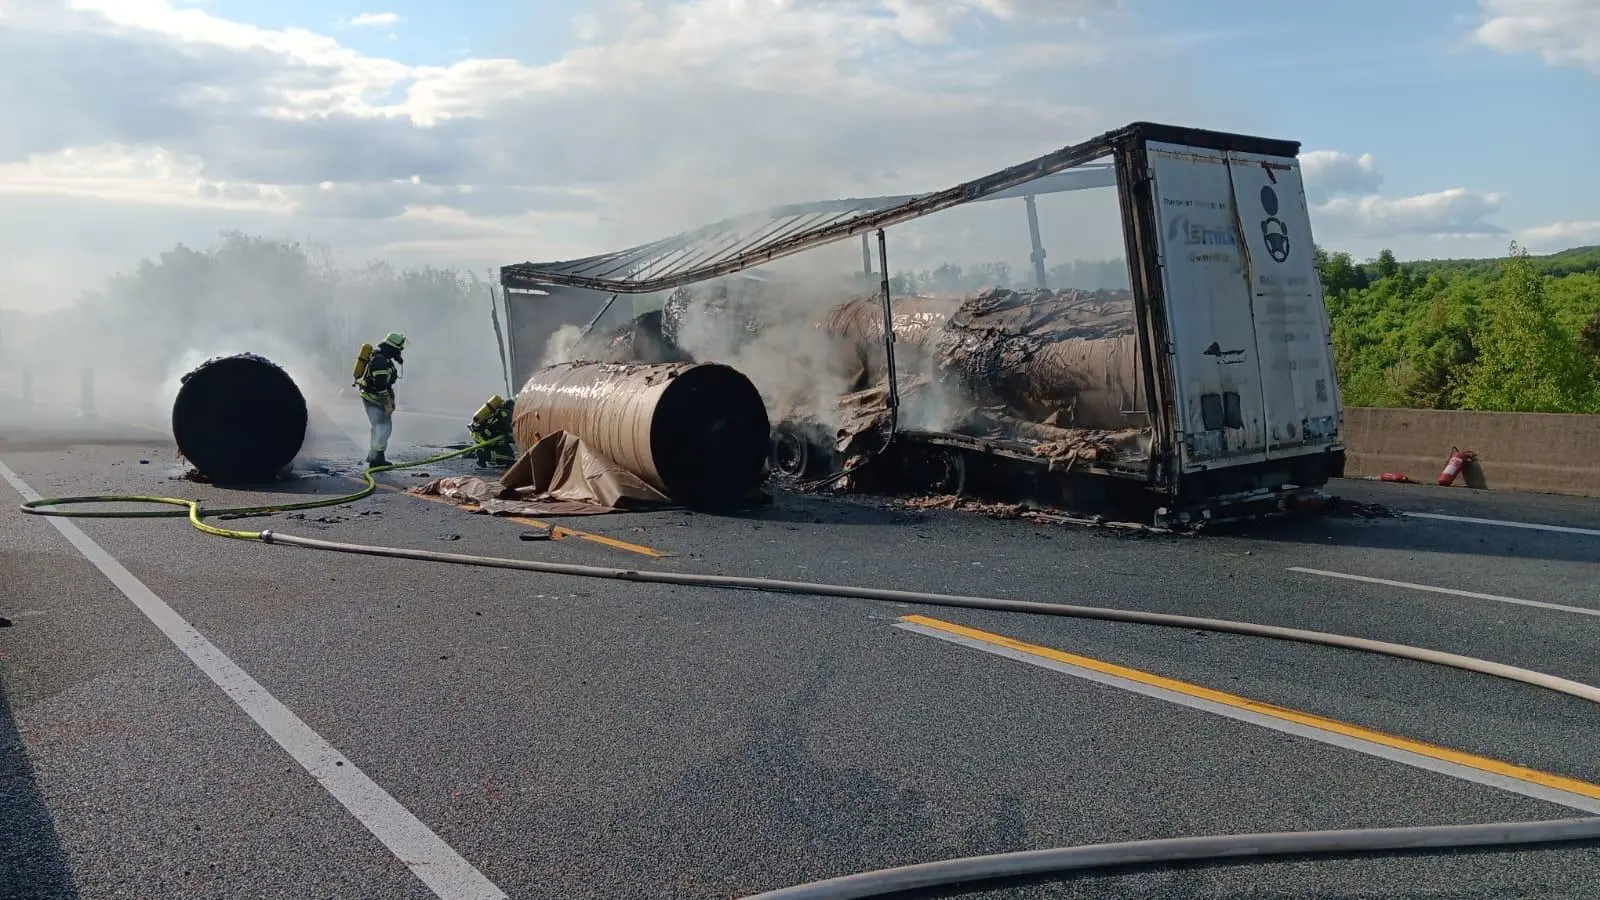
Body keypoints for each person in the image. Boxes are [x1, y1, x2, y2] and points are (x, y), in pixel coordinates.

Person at [355, 332, 405, 467]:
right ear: (392, 348)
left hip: (375, 398)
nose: (399, 353)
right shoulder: (380, 361)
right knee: (382, 427)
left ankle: (375, 456)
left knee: (381, 427)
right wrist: (387, 404)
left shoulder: (384, 359)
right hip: (373, 399)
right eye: (398, 350)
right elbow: (381, 386)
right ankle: (376, 459)